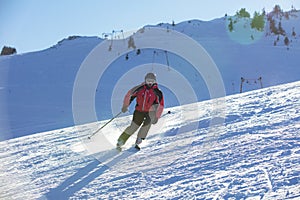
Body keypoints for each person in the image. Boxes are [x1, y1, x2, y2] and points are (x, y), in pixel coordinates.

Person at [116, 72, 164, 150]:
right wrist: (125, 105)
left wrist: (156, 117)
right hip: (139, 111)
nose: (150, 83)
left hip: (150, 112)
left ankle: (138, 142)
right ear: (145, 80)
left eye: (152, 81)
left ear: (155, 81)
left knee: (146, 127)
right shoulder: (139, 88)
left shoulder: (158, 92)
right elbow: (129, 95)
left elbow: (161, 105)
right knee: (133, 127)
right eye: (148, 80)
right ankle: (121, 141)